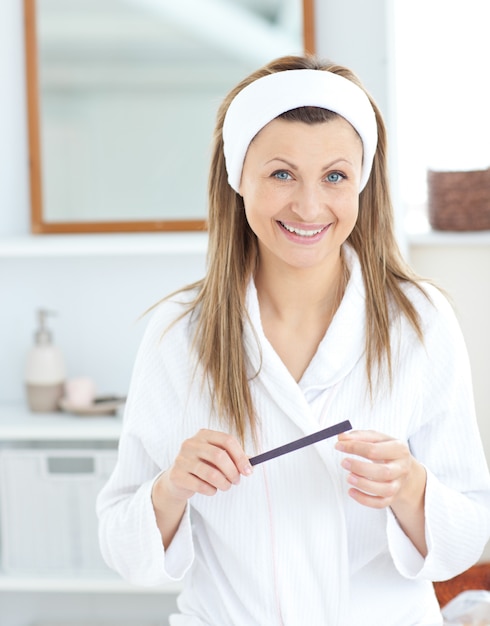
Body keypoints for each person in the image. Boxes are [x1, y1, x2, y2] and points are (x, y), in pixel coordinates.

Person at [96, 55, 490, 625]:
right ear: (237, 179)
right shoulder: (179, 333)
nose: (309, 207)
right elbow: (123, 551)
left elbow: (465, 539)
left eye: (335, 176)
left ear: (362, 183)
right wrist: (171, 489)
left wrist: (411, 487)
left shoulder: (420, 320)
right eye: (281, 174)